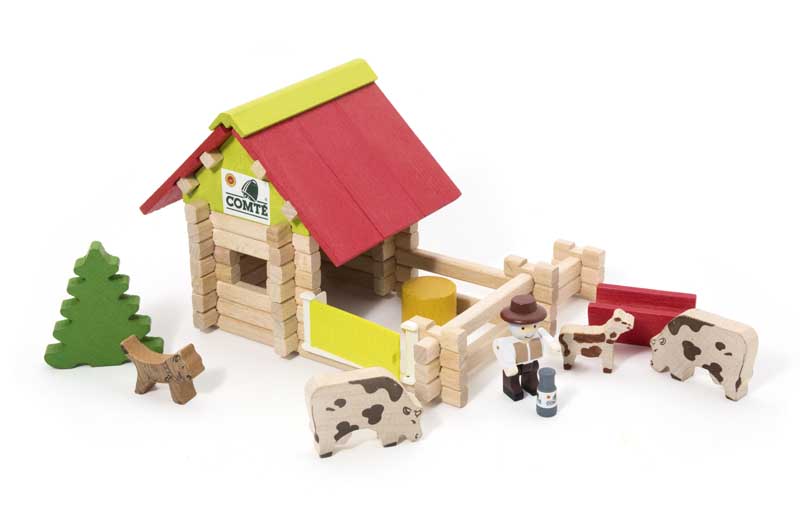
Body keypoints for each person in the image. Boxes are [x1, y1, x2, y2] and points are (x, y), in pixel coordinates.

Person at [492, 295, 561, 401]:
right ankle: (511, 387)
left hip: (532, 363)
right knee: (513, 377)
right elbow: (501, 350)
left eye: (534, 326)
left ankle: (530, 383)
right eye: (523, 328)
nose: (529, 332)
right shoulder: (507, 343)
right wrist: (509, 366)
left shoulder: (539, 333)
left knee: (532, 373)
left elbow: (546, 335)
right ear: (510, 325)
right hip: (516, 366)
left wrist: (553, 344)